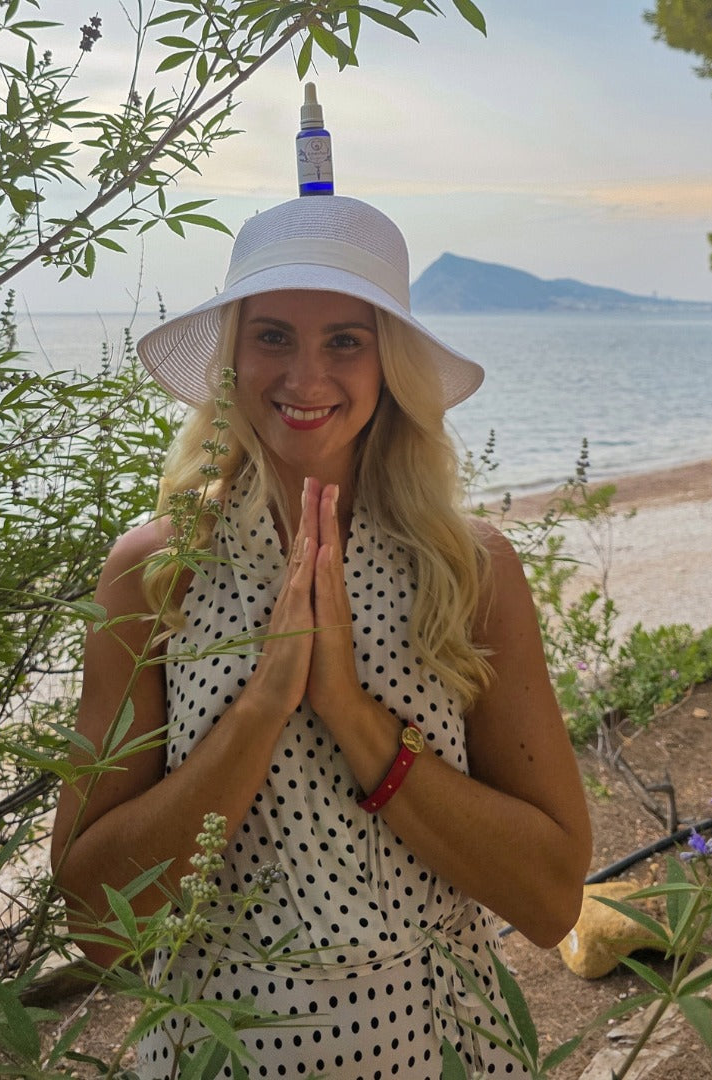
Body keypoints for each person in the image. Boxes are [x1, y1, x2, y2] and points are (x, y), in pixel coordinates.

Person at [51, 195, 592, 1078]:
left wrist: (351, 711)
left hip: (437, 1041)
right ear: (232, 355)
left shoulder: (470, 571)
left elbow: (549, 899)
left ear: (390, 364)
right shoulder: (154, 572)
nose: (306, 378)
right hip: (213, 1048)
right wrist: (263, 705)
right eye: (272, 336)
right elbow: (97, 927)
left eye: (345, 339)